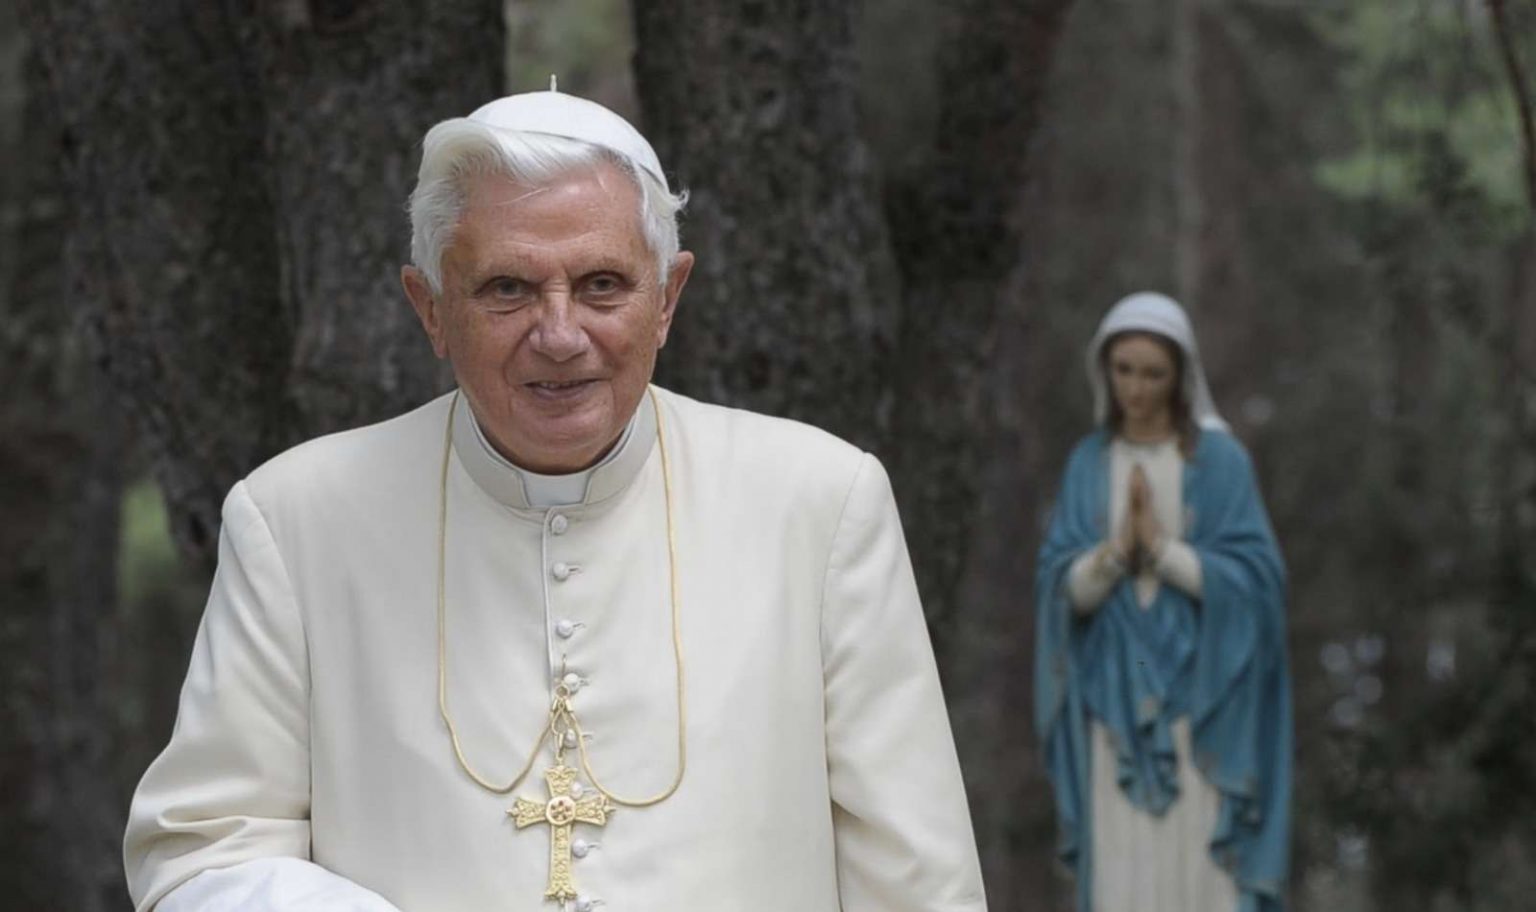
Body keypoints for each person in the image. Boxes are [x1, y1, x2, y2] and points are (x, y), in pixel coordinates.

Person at [123, 90, 985, 912]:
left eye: (603, 284)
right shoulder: (297, 519)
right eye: (509, 289)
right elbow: (205, 849)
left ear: (667, 299)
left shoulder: (821, 503)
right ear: (430, 308)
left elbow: (918, 882)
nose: (562, 335)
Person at [1033, 292, 1291, 912]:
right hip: (1113, 701)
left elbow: (1258, 586)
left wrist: (1164, 552)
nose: (1136, 389)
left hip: (1203, 702)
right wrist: (1117, 552)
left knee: (1198, 867)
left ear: (1181, 377)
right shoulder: (1090, 464)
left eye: (1153, 374)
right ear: (1104, 370)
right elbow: (1060, 591)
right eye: (1123, 370)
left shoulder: (1220, 462)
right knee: (1123, 865)